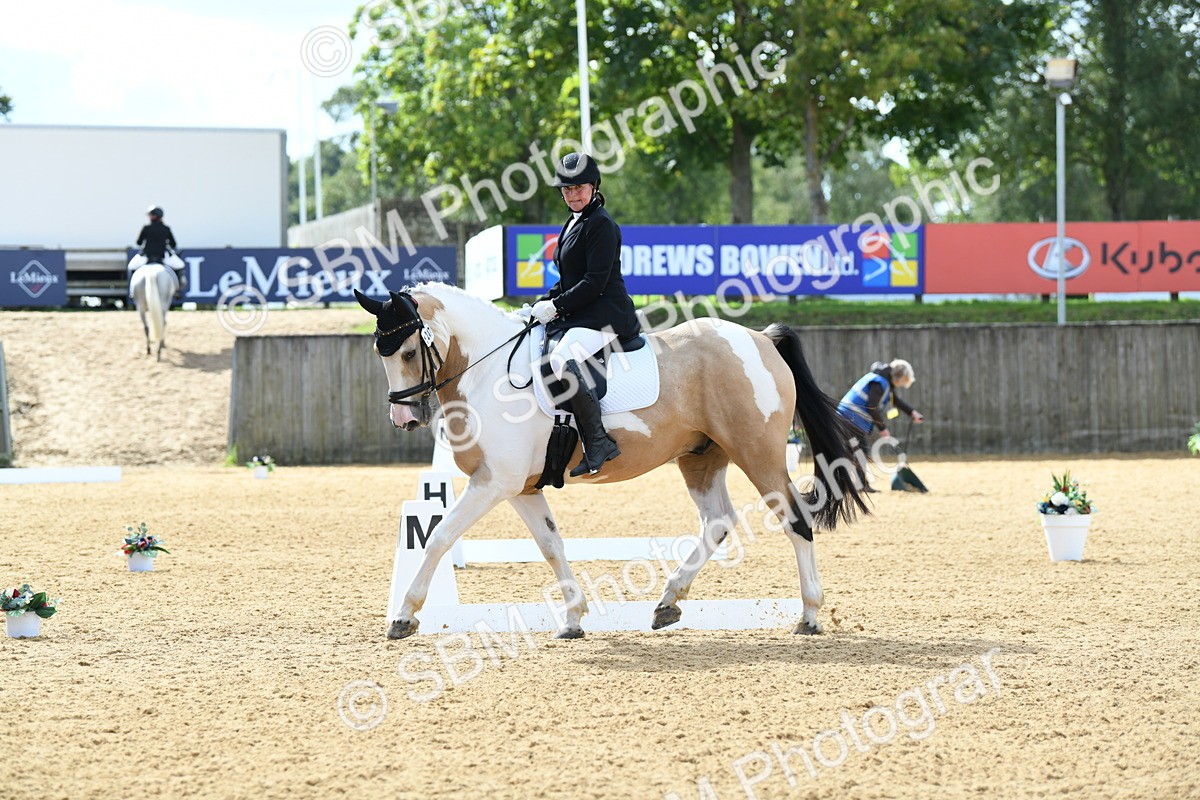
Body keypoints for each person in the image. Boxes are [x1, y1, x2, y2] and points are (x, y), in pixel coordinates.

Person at [526, 152, 641, 477]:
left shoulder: (602, 224)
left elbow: (594, 282)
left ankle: (598, 441)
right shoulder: (573, 222)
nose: (573, 194)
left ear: (594, 186)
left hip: (607, 314)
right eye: (566, 189)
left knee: (561, 361)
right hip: (584, 312)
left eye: (579, 188)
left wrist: (557, 307)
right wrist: (541, 302)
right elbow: (569, 280)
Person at [837, 359, 925, 441]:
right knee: (859, 455)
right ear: (899, 378)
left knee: (854, 455)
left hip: (848, 419)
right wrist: (883, 429)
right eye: (903, 382)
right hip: (850, 420)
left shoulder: (882, 380)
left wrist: (912, 412)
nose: (901, 385)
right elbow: (872, 407)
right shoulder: (879, 383)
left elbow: (896, 400)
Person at [135, 206, 185, 296]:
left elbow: (138, 242)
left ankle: (133, 291)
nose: (149, 217)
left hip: (147, 256)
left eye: (151, 215)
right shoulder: (166, 228)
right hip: (163, 256)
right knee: (180, 265)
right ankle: (177, 289)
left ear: (156, 216)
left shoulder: (146, 228)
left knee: (132, 267)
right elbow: (173, 244)